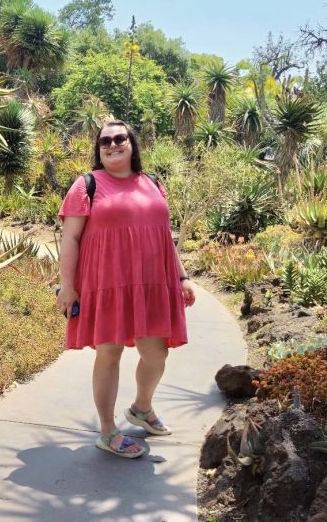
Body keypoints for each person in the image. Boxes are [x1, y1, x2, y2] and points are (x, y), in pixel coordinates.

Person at [56, 120, 196, 459]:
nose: (112, 144)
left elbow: (164, 236)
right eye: (105, 141)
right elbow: (70, 238)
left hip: (151, 284)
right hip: (107, 284)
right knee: (110, 353)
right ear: (98, 148)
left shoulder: (152, 183)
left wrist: (181, 277)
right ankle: (107, 431)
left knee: (156, 354)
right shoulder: (87, 185)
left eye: (120, 138)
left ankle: (141, 407)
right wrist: (67, 286)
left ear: (132, 144)